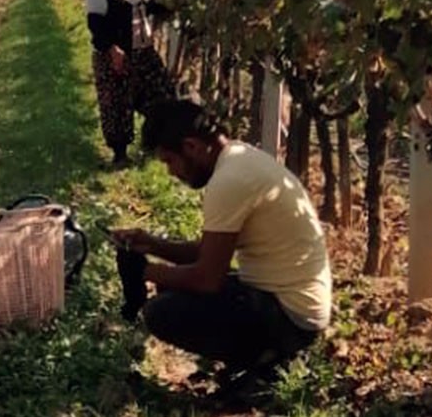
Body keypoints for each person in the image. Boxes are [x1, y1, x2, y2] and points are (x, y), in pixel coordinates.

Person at [111, 98, 330, 400]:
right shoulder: (238, 159)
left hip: (292, 317)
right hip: (291, 305)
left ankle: (270, 363)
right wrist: (150, 244)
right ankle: (263, 357)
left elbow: (206, 278)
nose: (171, 173)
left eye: (169, 162)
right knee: (171, 286)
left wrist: (142, 271)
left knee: (161, 311)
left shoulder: (229, 181)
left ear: (191, 147)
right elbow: (208, 252)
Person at [85, 0, 174, 167]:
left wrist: (173, 6)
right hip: (116, 56)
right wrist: (112, 49)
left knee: (160, 93)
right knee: (117, 104)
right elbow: (96, 26)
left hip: (144, 52)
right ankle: (120, 155)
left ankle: (154, 143)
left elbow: (150, 5)